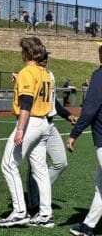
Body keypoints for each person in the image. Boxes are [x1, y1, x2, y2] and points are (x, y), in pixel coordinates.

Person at [0, 37, 53, 228]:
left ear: (27, 53)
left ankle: (19, 212)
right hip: (43, 124)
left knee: (8, 165)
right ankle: (45, 214)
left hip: (31, 123)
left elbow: (27, 103)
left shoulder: (28, 71)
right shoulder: (44, 72)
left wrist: (20, 129)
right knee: (40, 169)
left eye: (22, 50)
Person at [26, 52, 78, 215]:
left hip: (50, 123)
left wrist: (67, 114)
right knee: (34, 166)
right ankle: (33, 204)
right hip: (34, 123)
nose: (45, 60)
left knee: (61, 162)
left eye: (46, 57)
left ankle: (42, 190)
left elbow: (52, 100)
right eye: (41, 57)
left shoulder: (50, 75)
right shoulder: (29, 73)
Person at [67, 44, 102, 236]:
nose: (99, 53)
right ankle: (88, 226)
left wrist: (74, 134)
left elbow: (91, 108)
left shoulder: (99, 75)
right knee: (100, 184)